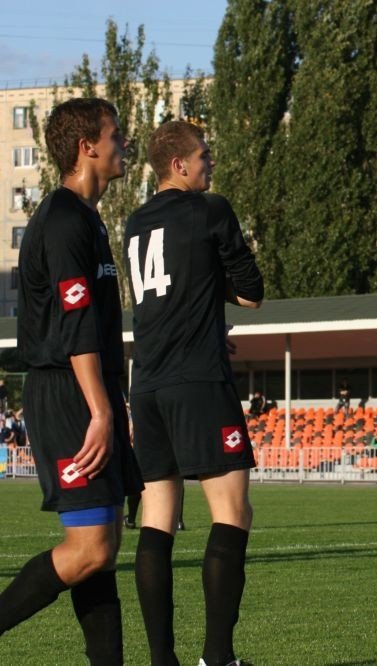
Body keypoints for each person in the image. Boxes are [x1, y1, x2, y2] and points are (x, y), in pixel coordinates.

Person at [1, 97, 142, 664]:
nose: (123, 144)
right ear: (88, 146)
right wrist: (102, 413)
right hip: (67, 393)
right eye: (116, 136)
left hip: (90, 391)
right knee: (88, 549)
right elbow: (75, 324)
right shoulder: (62, 220)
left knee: (101, 550)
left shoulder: (87, 217)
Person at [124, 120, 263, 666]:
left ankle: (163, 662)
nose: (211, 164)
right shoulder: (211, 209)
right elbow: (252, 294)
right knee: (232, 513)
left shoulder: (136, 222)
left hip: (149, 382)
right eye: (204, 156)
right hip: (198, 379)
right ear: (178, 165)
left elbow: (169, 291)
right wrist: (214, 296)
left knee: (158, 517)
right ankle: (219, 659)